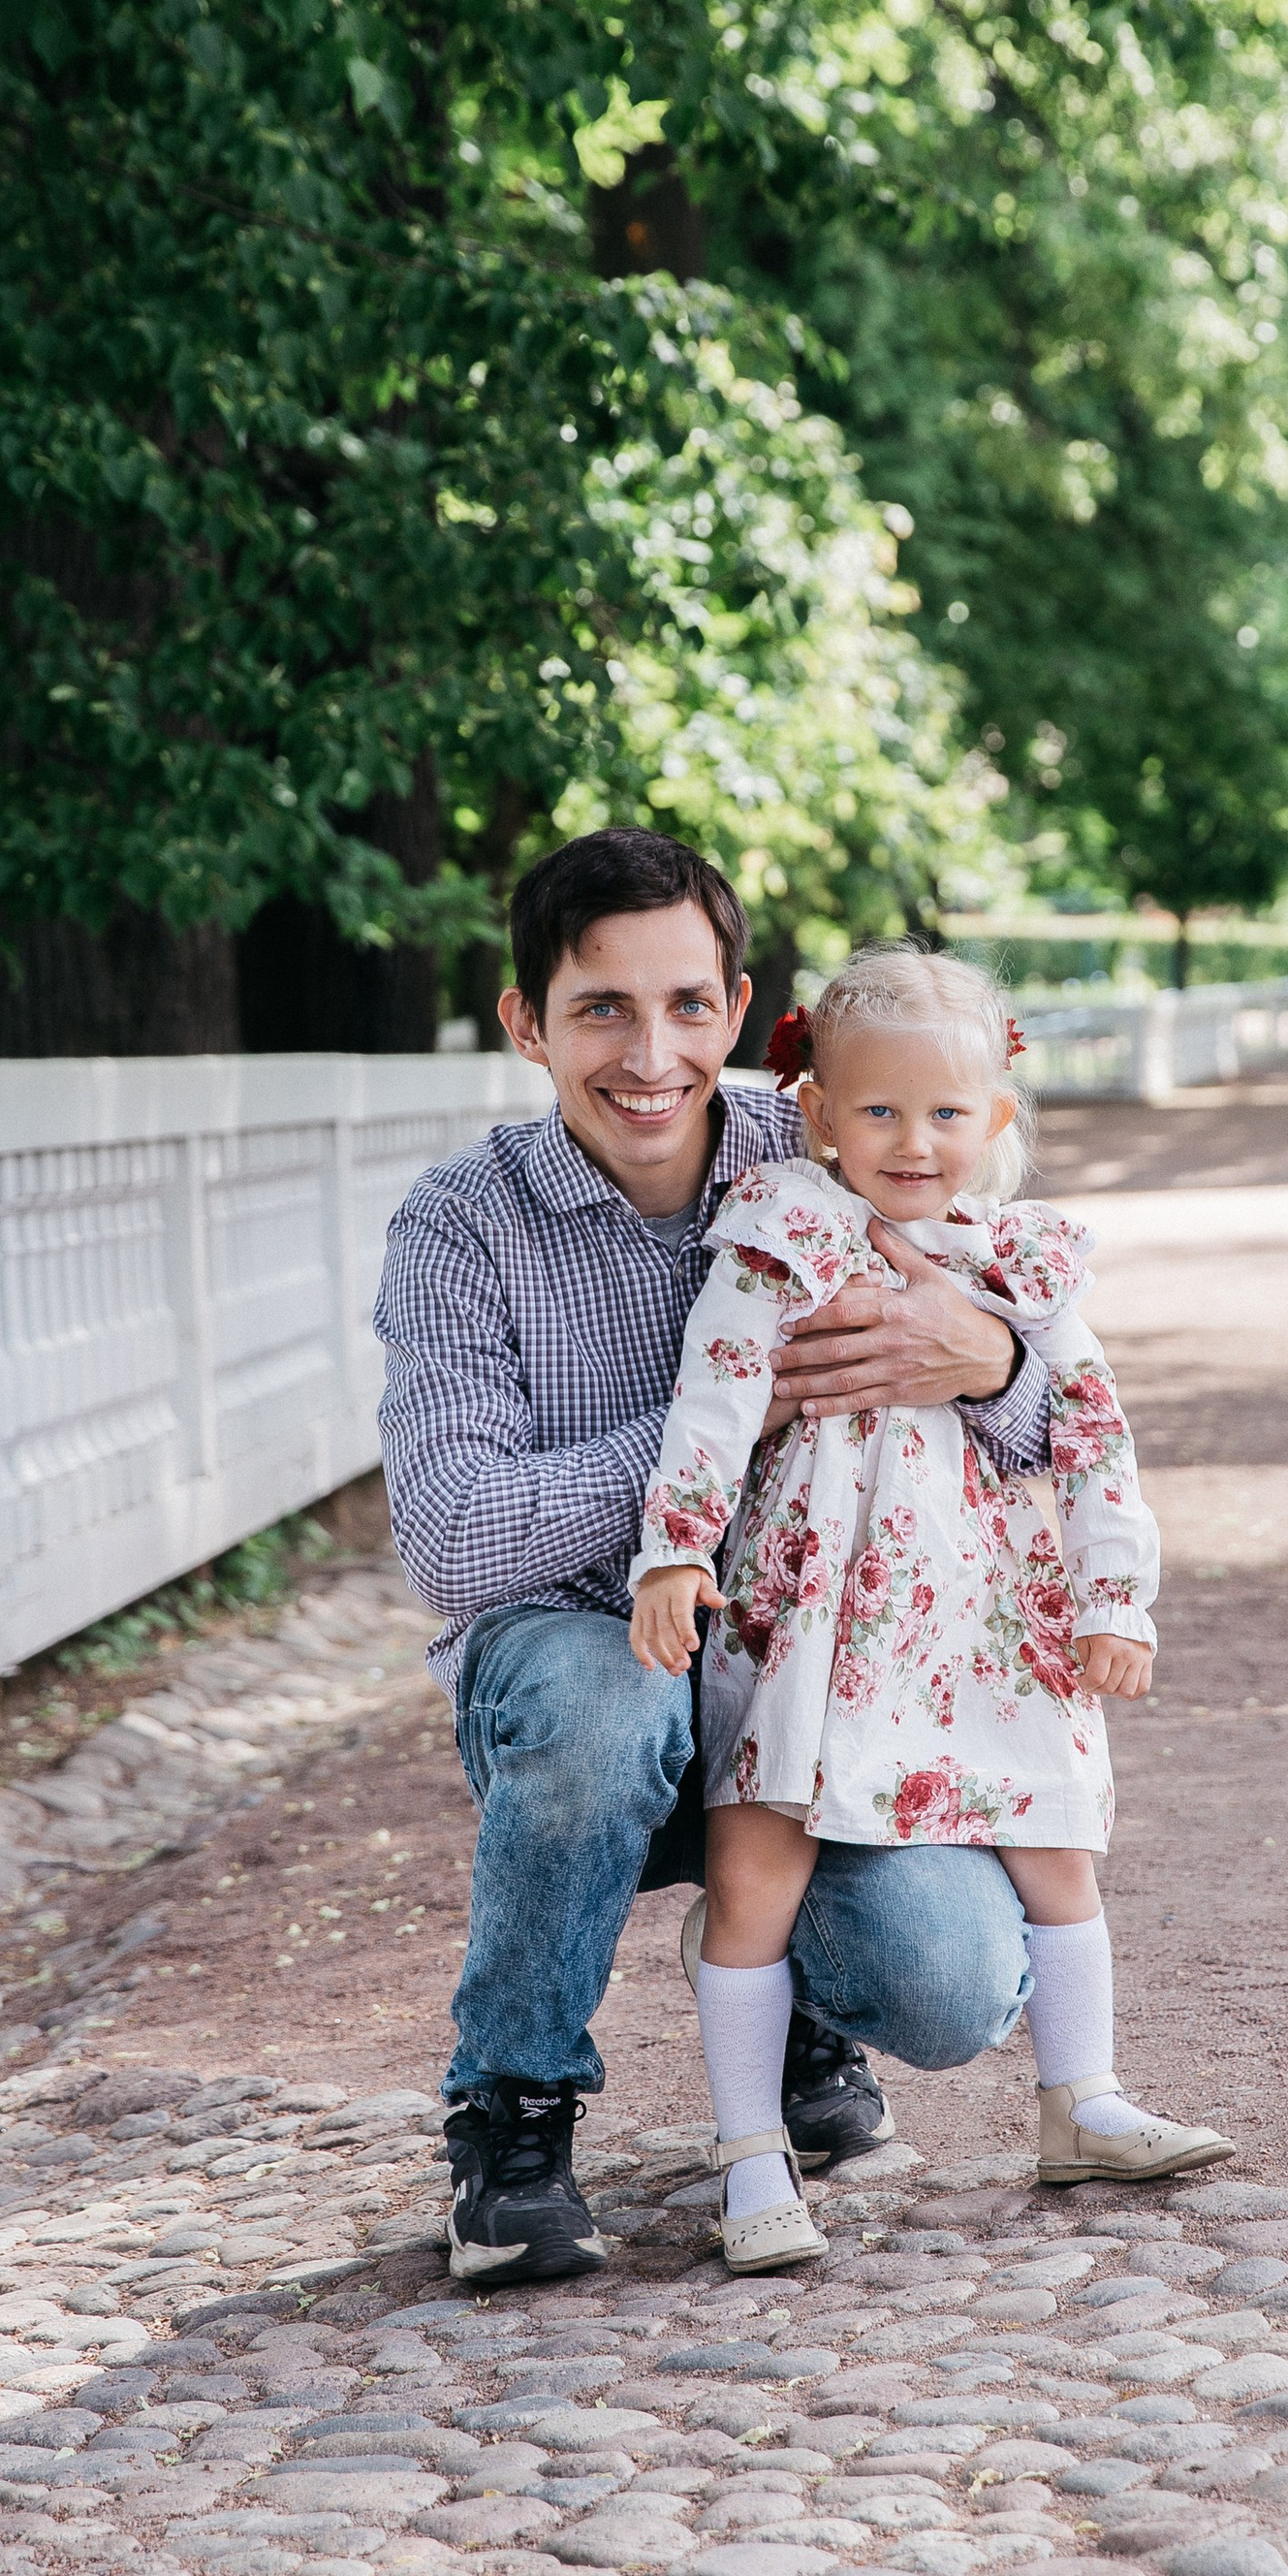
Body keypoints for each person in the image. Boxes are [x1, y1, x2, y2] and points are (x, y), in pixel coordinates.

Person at [374, 828, 1062, 2287]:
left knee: (956, 1988)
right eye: (600, 1009)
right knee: (603, 1702)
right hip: (580, 1656)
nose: (650, 1053)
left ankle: (798, 1996)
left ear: (738, 1010)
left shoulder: (827, 1144)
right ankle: (513, 2116)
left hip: (815, 1672)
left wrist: (991, 1359)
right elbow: (455, 1540)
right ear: (525, 1024)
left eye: (687, 1005)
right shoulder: (460, 1227)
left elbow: (1048, 1402)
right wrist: (734, 1413)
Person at [629, 941, 1231, 2271]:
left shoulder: (1025, 1262)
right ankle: (748, 2153)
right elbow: (714, 1403)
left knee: (1054, 1840)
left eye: (949, 1113)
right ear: (821, 1113)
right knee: (759, 1861)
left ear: (997, 1119)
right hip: (816, 1612)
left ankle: (1083, 2096)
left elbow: (1093, 1434)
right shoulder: (780, 1234)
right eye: (881, 1111)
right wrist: (674, 1550)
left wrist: (1116, 1597)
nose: (915, 1141)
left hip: (984, 1621)